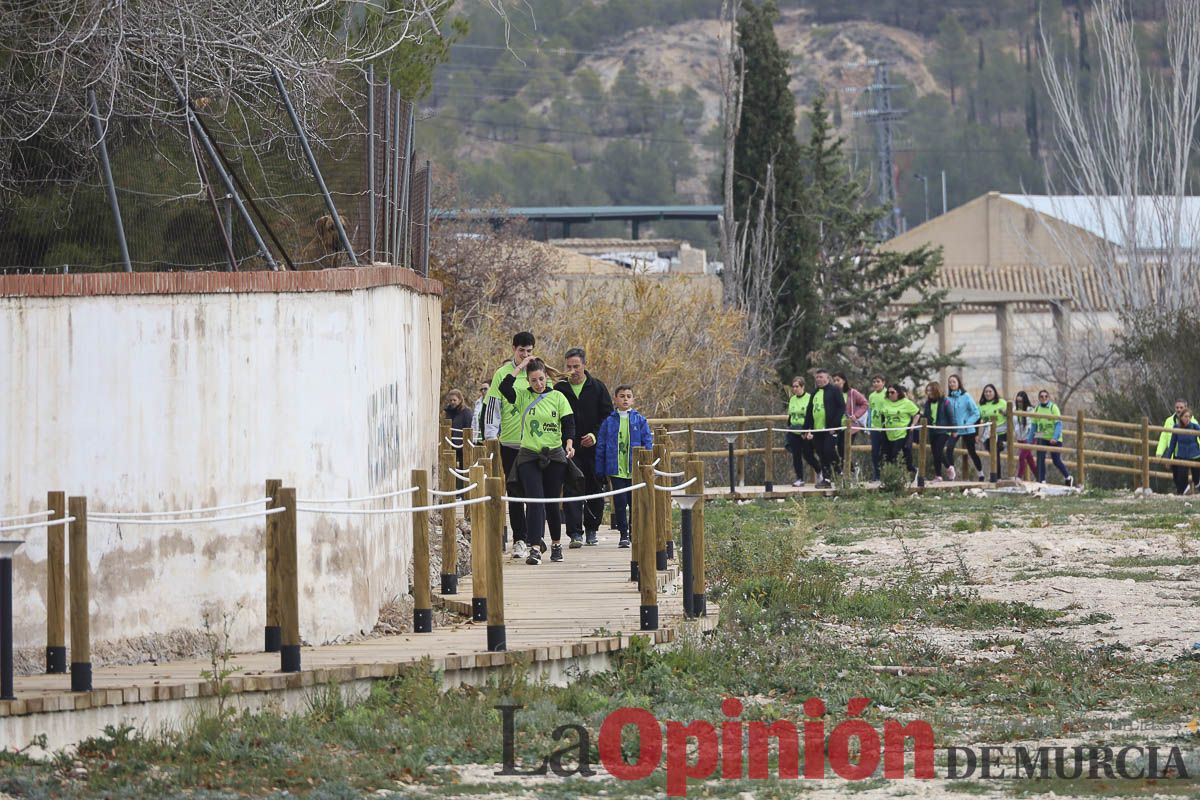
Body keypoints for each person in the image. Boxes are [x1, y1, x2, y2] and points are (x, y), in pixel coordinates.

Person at [497, 357, 576, 565]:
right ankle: (534, 548)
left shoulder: (558, 397)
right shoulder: (523, 396)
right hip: (529, 455)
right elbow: (504, 387)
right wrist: (521, 366)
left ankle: (556, 544)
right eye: (533, 381)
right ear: (528, 381)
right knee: (534, 501)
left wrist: (569, 443)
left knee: (551, 501)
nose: (538, 384)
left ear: (546, 378)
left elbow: (568, 423)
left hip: (554, 455)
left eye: (541, 379)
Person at [553, 347, 614, 548]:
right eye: (569, 366)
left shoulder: (597, 387)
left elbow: (607, 416)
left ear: (585, 365)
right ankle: (574, 533)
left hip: (594, 448)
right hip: (569, 448)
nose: (573, 370)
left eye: (576, 366)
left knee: (595, 487)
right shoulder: (559, 390)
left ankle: (592, 529)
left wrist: (595, 435)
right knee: (571, 488)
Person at [485, 332, 535, 559]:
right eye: (521, 350)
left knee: (534, 492)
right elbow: (493, 404)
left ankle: (536, 538)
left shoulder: (537, 371)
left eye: (529, 351)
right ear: (514, 349)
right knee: (514, 492)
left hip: (535, 444)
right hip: (511, 443)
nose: (525, 355)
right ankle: (520, 538)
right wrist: (490, 435)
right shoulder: (502, 374)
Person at [596, 385, 653, 548]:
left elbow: (647, 442)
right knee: (620, 503)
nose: (625, 399)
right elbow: (601, 445)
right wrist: (600, 469)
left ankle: (635, 532)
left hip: (634, 470)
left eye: (629, 396)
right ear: (615, 399)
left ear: (633, 399)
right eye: (622, 396)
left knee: (634, 503)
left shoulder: (640, 420)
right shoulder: (608, 422)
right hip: (616, 470)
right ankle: (623, 534)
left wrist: (647, 464)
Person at [803, 369, 846, 489]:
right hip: (818, 429)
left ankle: (839, 471)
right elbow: (809, 411)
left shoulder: (834, 390)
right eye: (817, 377)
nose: (818, 379)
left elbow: (841, 407)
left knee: (829, 450)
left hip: (831, 428)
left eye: (821, 377)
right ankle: (826, 479)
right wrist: (805, 429)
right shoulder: (815, 392)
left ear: (827, 378)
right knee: (821, 453)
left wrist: (835, 425)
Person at [944, 374, 983, 482]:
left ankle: (981, 474)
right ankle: (951, 475)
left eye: (954, 382)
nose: (952, 384)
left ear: (958, 383)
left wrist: (967, 423)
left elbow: (976, 413)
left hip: (967, 429)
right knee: (949, 448)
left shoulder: (966, 396)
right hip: (954, 430)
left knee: (971, 451)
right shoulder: (947, 399)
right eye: (950, 382)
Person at [1033, 388, 1073, 485]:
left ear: (1048, 398)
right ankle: (1041, 480)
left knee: (1056, 460)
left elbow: (1058, 424)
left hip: (1054, 437)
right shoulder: (1037, 408)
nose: (1044, 398)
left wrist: (1055, 437)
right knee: (1040, 458)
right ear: (1039, 398)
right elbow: (1034, 425)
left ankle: (1068, 477)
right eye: (1041, 396)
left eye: (1046, 396)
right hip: (1042, 435)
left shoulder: (1053, 408)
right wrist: (1031, 439)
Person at [878, 384, 920, 477]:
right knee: (885, 456)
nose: (890, 394)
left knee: (896, 454)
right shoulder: (885, 402)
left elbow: (917, 413)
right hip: (888, 433)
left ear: (898, 393)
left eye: (892, 392)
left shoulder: (906, 402)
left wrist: (913, 424)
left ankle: (909, 472)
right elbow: (882, 414)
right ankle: (890, 477)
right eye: (888, 392)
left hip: (901, 433)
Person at [832, 373, 868, 471]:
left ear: (844, 380)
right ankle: (851, 469)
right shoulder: (833, 393)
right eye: (834, 380)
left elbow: (865, 404)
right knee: (839, 449)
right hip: (838, 426)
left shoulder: (852, 392)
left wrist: (856, 415)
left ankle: (851, 470)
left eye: (838, 380)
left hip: (850, 426)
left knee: (845, 448)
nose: (835, 382)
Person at [785, 376, 818, 487]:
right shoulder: (792, 399)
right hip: (794, 430)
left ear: (802, 386)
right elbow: (790, 415)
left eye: (797, 386)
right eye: (793, 387)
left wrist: (809, 430)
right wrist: (789, 426)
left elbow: (812, 416)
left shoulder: (809, 398)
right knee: (796, 455)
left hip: (805, 429)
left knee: (808, 455)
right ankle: (799, 478)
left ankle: (820, 471)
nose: (794, 389)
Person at [921, 381, 952, 482]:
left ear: (936, 390)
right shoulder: (927, 403)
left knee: (938, 451)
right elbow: (925, 416)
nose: (929, 392)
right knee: (935, 453)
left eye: (931, 390)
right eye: (928, 390)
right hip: (932, 431)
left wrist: (954, 430)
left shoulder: (945, 401)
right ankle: (938, 476)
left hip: (943, 431)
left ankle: (948, 467)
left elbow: (951, 416)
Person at [977, 383, 1008, 479]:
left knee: (996, 450)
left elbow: (1010, 415)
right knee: (993, 452)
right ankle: (996, 475)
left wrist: (1005, 413)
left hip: (1001, 432)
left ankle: (996, 476)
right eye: (986, 392)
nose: (988, 393)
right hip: (988, 434)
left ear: (994, 392)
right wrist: (977, 434)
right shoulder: (981, 406)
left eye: (990, 391)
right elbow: (977, 420)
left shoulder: (1002, 402)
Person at [1166, 408, 1200, 495]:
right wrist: (1168, 458)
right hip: (1182, 456)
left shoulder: (1195, 426)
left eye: (1189, 416)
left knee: (1197, 479)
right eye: (1185, 416)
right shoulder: (1176, 428)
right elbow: (1172, 444)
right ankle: (1183, 495)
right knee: (1180, 479)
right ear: (1181, 417)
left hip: (1195, 455)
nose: (1187, 418)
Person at [443, 389, 473, 469]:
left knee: (464, 467)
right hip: (450, 444)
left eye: (454, 400)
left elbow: (468, 428)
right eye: (450, 400)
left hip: (463, 445)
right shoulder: (448, 412)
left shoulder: (466, 412)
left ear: (460, 400)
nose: (452, 402)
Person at [866, 375, 888, 482]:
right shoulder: (871, 396)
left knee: (885, 451)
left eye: (878, 381)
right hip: (874, 428)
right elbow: (870, 411)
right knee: (874, 452)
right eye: (874, 382)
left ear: (883, 382)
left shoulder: (888, 393)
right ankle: (876, 475)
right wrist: (868, 427)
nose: (875, 384)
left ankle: (886, 474)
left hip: (885, 428)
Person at [1012, 390, 1037, 481]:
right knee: (1029, 459)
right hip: (1020, 437)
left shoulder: (1030, 410)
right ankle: (1039, 477)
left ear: (1025, 401)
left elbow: (1035, 424)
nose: (1019, 403)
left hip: (1030, 437)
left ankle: (1019, 477)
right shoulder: (1014, 409)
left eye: (1021, 401)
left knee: (1022, 456)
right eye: (1017, 401)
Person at [470, 380, 489, 444]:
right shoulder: (478, 403)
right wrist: (472, 437)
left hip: (489, 438)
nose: (483, 391)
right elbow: (474, 422)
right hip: (478, 438)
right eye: (481, 389)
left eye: (485, 389)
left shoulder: (495, 402)